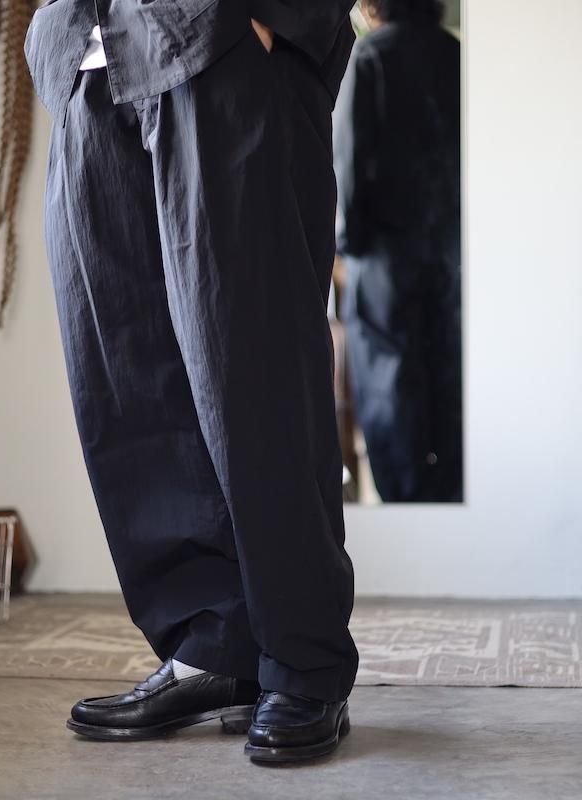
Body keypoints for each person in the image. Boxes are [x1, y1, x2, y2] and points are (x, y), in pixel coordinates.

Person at [24, 0, 359, 764]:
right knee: (127, 374)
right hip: (90, 53)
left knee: (257, 366)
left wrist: (281, 22)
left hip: (223, 34)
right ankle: (211, 647)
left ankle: (304, 661)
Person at [334, 0, 462, 502]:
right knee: (446, 388)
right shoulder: (456, 56)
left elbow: (349, 166)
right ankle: (449, 509)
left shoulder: (370, 59)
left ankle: (406, 514)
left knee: (391, 393)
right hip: (452, 257)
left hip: (384, 259)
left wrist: (346, 246)